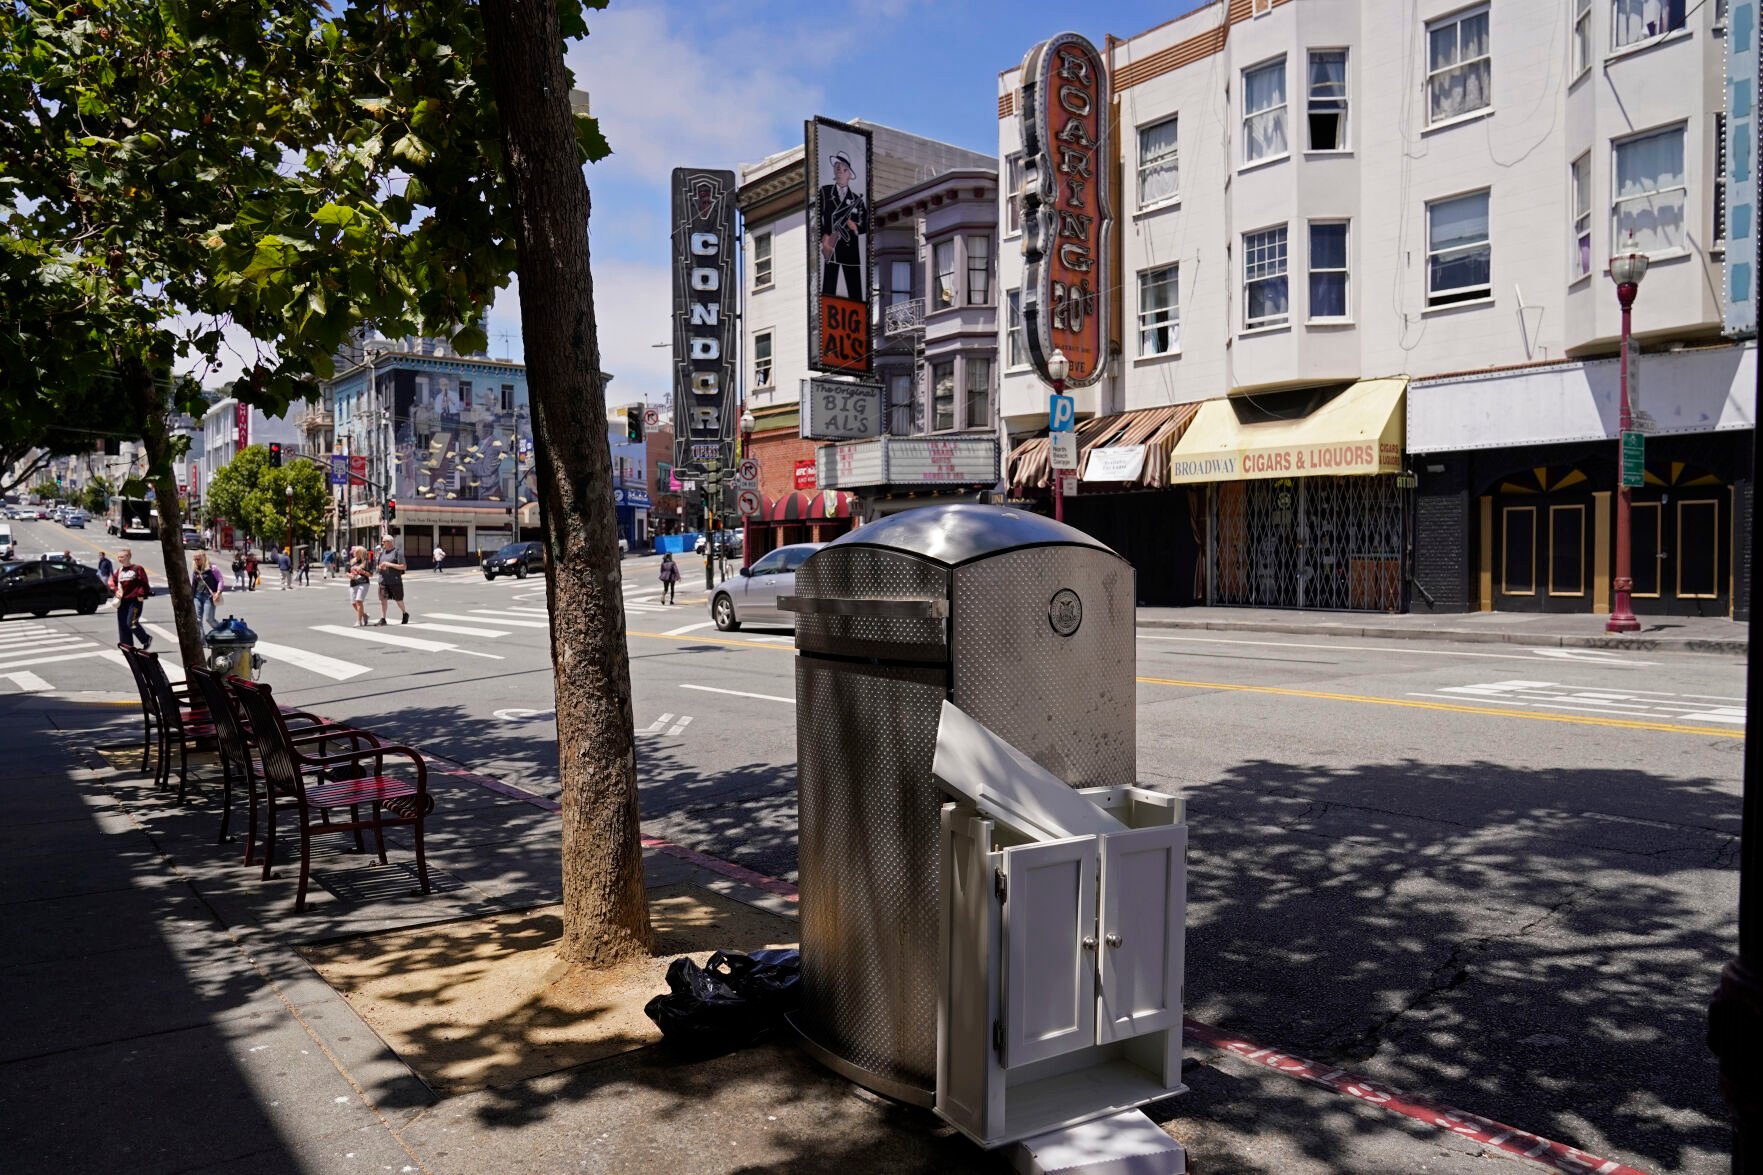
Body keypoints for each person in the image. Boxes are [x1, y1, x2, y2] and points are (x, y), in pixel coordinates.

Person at [818, 148, 868, 300]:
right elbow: (816, 217)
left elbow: (865, 223)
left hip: (850, 251)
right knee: (828, 292)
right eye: (837, 168)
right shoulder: (825, 192)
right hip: (831, 249)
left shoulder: (856, 199)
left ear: (849, 174)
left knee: (856, 295)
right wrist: (824, 238)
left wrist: (855, 227)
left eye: (842, 169)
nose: (839, 171)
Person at [113, 547, 151, 649]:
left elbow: (144, 583)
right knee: (123, 625)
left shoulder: (137, 568)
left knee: (132, 622)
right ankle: (127, 647)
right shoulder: (119, 571)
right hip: (123, 601)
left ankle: (146, 639)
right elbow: (113, 583)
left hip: (134, 601)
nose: (120, 559)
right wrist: (116, 591)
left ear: (129, 557)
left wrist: (141, 594)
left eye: (122, 557)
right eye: (118, 557)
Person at [375, 533, 408, 625]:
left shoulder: (398, 552)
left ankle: (404, 613)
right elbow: (378, 566)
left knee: (398, 600)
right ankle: (383, 618)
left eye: (384, 542)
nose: (382, 543)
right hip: (383, 580)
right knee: (383, 600)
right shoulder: (381, 553)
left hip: (395, 580)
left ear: (390, 542)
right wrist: (380, 567)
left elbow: (404, 567)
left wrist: (389, 565)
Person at [191, 551, 223, 630]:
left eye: (198, 559)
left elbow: (220, 580)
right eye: (194, 559)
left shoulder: (212, 568)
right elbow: (194, 584)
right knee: (198, 620)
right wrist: (191, 596)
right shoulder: (195, 569)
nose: (196, 561)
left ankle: (223, 632)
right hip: (197, 596)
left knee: (209, 619)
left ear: (203, 558)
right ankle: (202, 641)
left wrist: (218, 592)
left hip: (209, 597)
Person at [347, 545, 372, 626]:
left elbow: (370, 574)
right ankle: (364, 615)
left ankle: (359, 621)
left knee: (358, 601)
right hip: (353, 583)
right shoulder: (352, 561)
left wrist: (363, 572)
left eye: (355, 551)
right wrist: (349, 575)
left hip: (363, 583)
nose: (353, 552)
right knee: (353, 603)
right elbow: (347, 572)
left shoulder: (365, 562)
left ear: (359, 553)